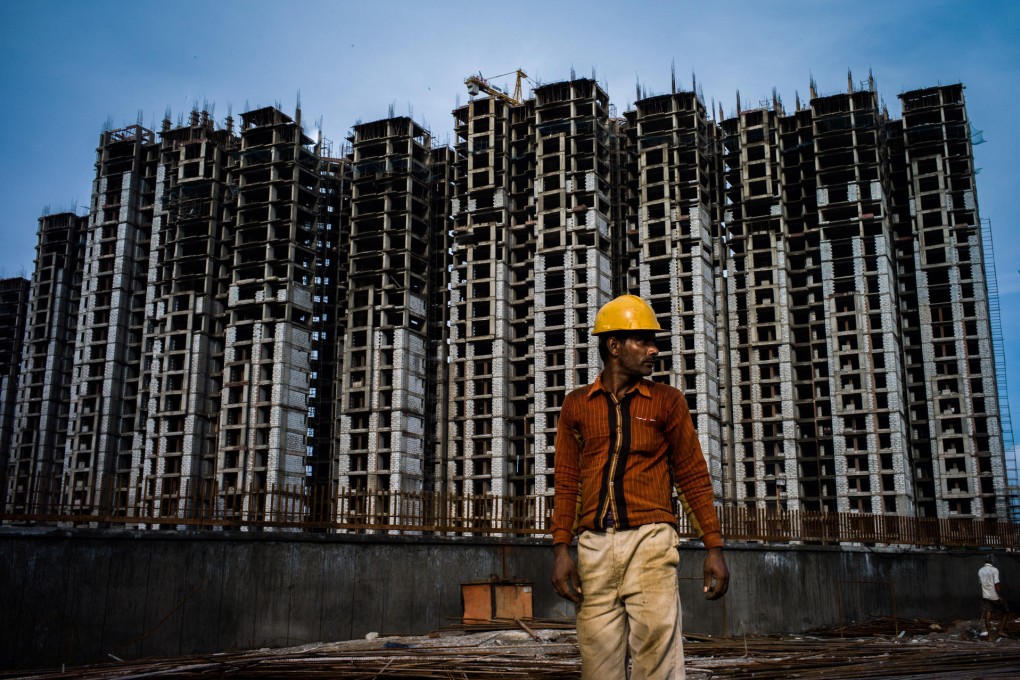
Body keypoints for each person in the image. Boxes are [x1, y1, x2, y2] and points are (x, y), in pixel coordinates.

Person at [550, 294, 729, 680]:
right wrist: (561, 548)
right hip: (594, 548)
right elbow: (567, 480)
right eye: (644, 340)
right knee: (598, 666)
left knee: (658, 663)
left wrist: (713, 546)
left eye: (654, 341)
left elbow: (692, 475)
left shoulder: (667, 402)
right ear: (614, 346)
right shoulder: (577, 405)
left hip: (651, 542)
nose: (654, 350)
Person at [979, 557, 1009, 639]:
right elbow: (997, 586)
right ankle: (1001, 631)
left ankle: (989, 634)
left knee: (988, 614)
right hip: (994, 596)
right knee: (1005, 612)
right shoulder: (995, 570)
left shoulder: (980, 570)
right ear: (992, 561)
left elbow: (981, 584)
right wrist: (1001, 596)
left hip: (985, 596)